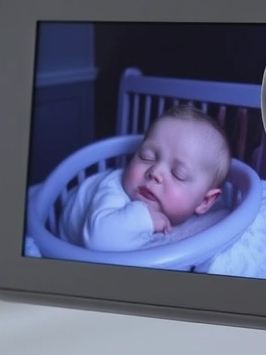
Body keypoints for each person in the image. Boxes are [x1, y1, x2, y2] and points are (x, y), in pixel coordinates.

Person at [58, 104, 232, 252]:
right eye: (146, 156)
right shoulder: (114, 189)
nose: (155, 172)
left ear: (204, 202)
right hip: (67, 245)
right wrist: (146, 218)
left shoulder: (210, 217)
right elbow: (98, 241)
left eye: (178, 173)